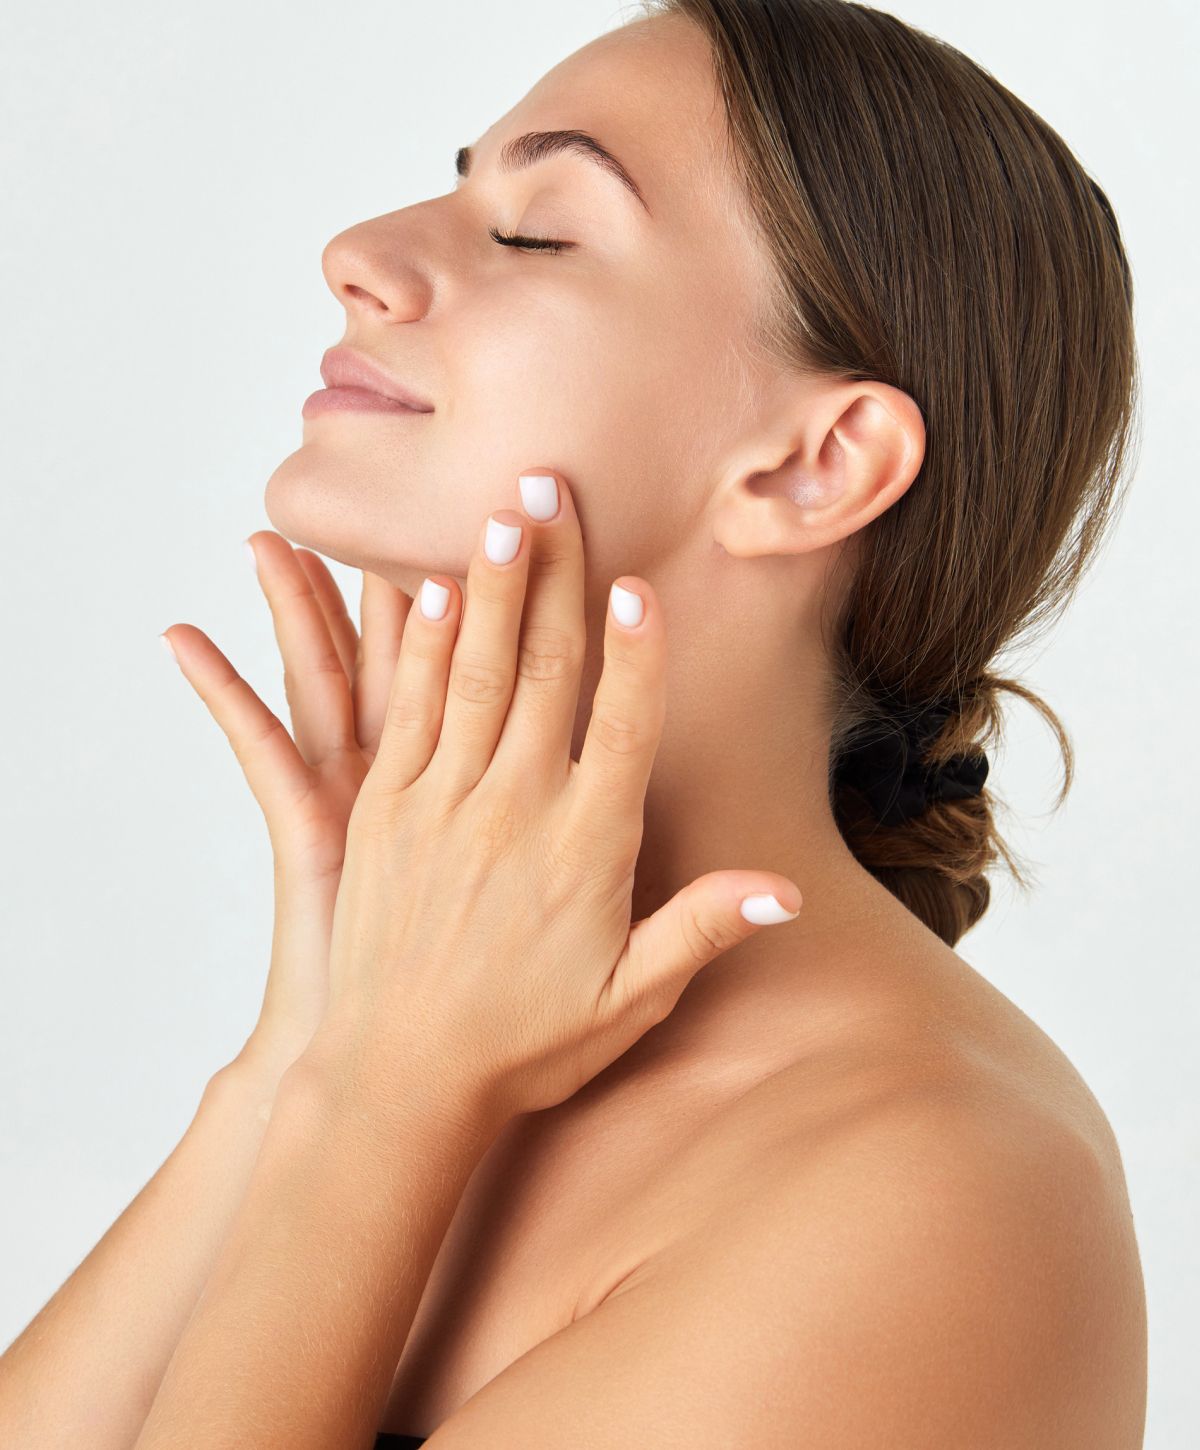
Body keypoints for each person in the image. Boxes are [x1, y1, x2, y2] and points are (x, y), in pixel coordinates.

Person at [0, 2, 1146, 1446]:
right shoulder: (406, 1030)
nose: (357, 250)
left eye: (538, 231)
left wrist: (376, 1102)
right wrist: (310, 1042)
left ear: (814, 464)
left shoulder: (945, 1186)